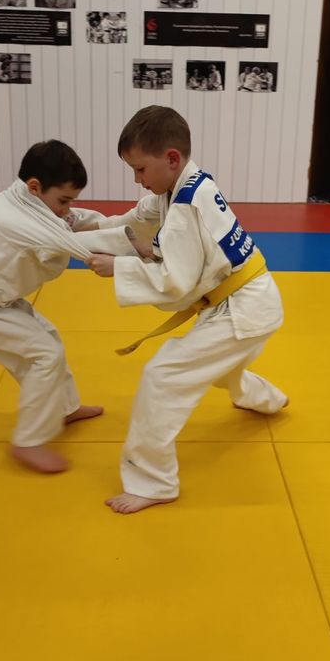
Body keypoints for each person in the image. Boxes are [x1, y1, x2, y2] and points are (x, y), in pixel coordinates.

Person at [89, 105, 288, 514]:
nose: (137, 179)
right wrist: (80, 224)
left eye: (140, 169)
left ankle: (154, 481)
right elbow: (133, 222)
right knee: (221, 366)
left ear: (171, 158)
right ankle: (268, 399)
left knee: (162, 376)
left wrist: (119, 267)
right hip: (251, 302)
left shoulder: (183, 210)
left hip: (242, 308)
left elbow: (175, 283)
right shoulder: (188, 186)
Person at [0, 140, 144, 475]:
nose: (67, 208)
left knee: (48, 338)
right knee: (43, 355)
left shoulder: (29, 202)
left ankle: (65, 407)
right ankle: (29, 441)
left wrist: (122, 223)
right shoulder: (11, 217)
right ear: (35, 187)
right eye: (63, 200)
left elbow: (74, 220)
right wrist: (142, 249)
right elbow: (71, 241)